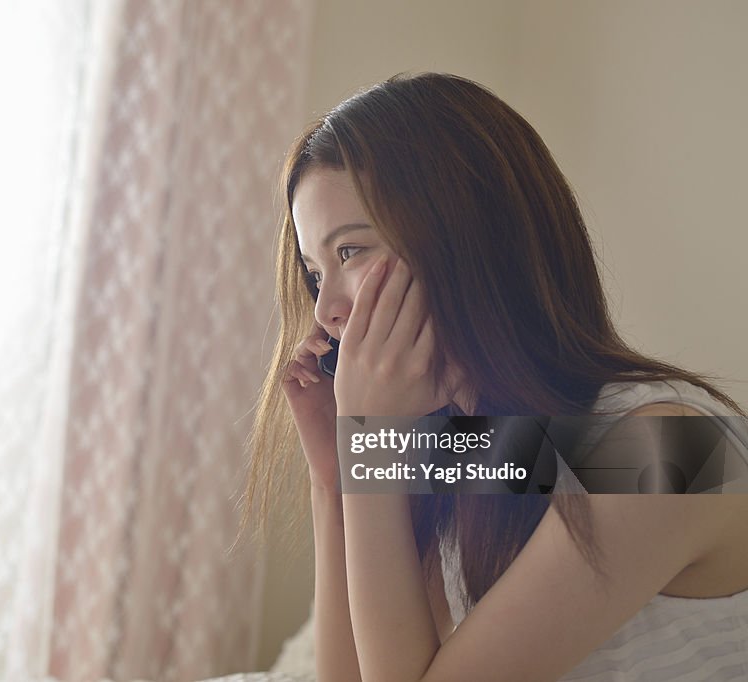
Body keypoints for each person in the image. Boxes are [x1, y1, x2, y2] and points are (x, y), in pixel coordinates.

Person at [241, 73, 748, 681]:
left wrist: (370, 447)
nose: (326, 312)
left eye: (350, 252)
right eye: (316, 273)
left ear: (468, 239)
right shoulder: (468, 448)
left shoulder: (670, 451)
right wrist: (337, 477)